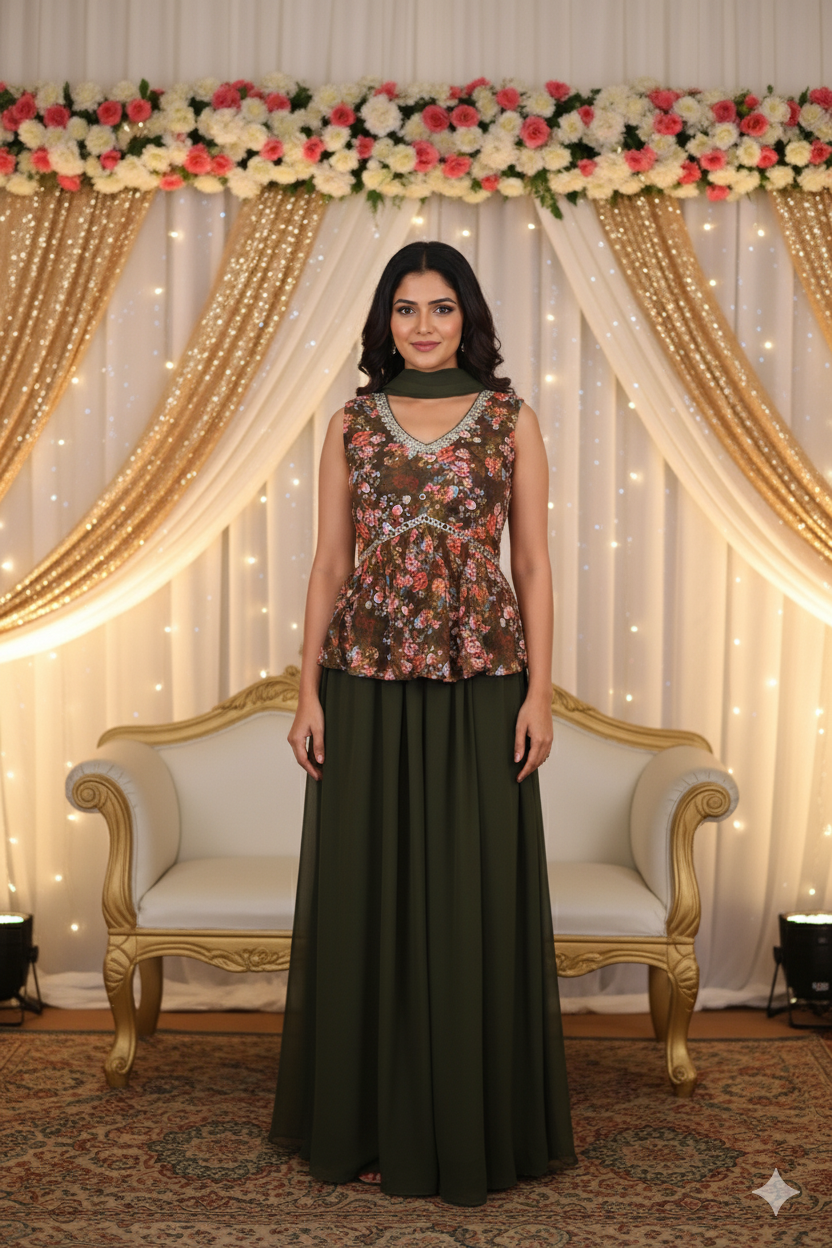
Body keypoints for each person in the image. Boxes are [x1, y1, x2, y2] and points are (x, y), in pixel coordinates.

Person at [269, 240, 576, 1207]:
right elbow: (327, 565)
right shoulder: (351, 424)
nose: (425, 325)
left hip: (484, 681)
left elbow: (531, 564)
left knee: (470, 891)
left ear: (468, 315)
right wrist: (305, 692)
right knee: (369, 892)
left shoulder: (511, 419)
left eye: (441, 307)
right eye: (407, 309)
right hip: (361, 680)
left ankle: (474, 1123)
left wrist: (541, 693)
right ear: (384, 320)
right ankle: (364, 1121)